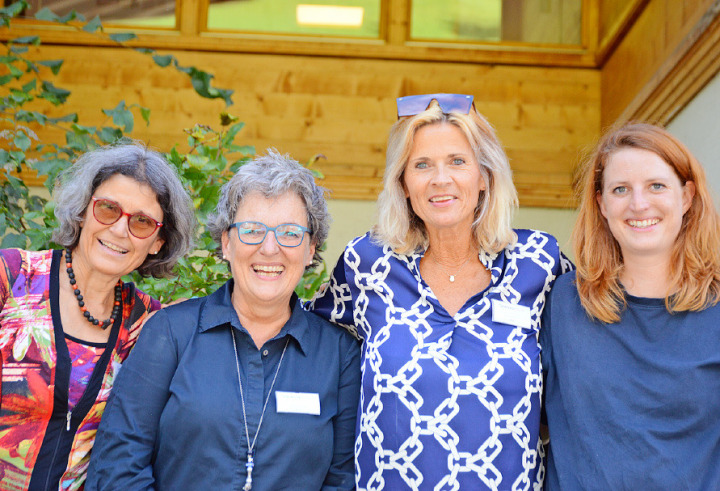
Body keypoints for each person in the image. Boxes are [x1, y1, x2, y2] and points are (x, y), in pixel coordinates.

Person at [308, 93, 572, 490]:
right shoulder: (368, 263)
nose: (440, 179)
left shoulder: (538, 261)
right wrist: (195, 316)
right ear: (404, 183)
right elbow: (302, 336)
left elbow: (595, 336)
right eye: (422, 165)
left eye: (457, 161)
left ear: (484, 176)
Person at [86, 150, 361, 490]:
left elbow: (343, 479)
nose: (270, 248)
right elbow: (119, 464)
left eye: (289, 232)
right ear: (227, 243)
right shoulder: (171, 333)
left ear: (309, 249)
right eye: (251, 230)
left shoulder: (340, 354)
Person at [0, 142, 195, 490]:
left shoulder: (148, 325)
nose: (120, 230)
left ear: (157, 242)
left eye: (141, 222)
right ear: (82, 211)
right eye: (108, 209)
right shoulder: (12, 278)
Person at [541, 123, 720, 489]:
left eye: (656, 186)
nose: (639, 204)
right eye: (621, 189)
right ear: (602, 204)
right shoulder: (561, 304)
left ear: (686, 197)